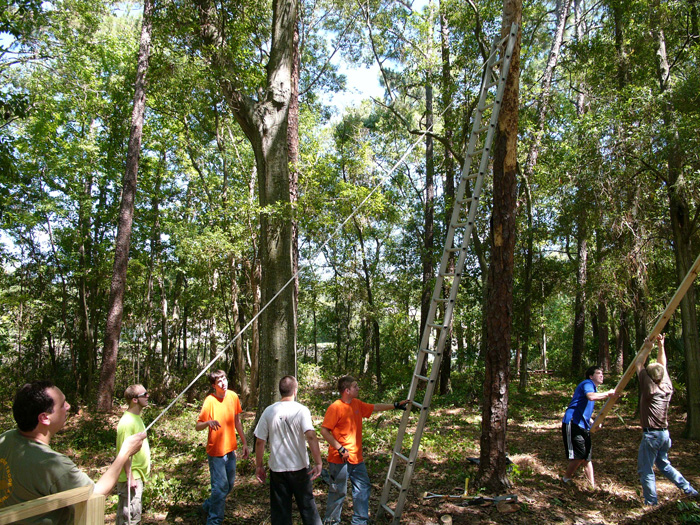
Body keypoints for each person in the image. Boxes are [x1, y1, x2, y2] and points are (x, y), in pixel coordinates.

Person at [0, 381, 146, 524]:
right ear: (44, 418)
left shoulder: (6, 438)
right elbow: (96, 493)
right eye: (63, 404)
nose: (69, 407)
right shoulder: (52, 464)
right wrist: (125, 452)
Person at [320, 375, 408, 525]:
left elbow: (374, 407)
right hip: (339, 459)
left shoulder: (356, 404)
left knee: (363, 487)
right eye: (355, 386)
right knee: (338, 492)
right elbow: (324, 431)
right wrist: (340, 449)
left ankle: (360, 521)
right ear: (347, 390)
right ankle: (331, 522)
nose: (358, 388)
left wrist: (395, 405)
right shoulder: (336, 407)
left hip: (356, 458)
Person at [635, 333, 698, 505]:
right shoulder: (666, 385)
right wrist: (661, 346)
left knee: (645, 470)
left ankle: (651, 502)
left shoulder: (649, 388)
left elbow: (638, 364)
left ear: (649, 377)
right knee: (664, 465)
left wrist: (647, 348)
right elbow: (662, 365)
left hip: (652, 436)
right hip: (664, 435)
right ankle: (689, 490)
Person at [254, 375, 323, 525]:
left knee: (281, 513)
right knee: (308, 509)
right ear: (295, 391)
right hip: (299, 468)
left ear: (281, 391)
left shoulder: (269, 411)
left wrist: (259, 465)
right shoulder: (301, 410)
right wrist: (318, 462)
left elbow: (260, 442)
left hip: (279, 469)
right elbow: (311, 436)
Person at [196, 370, 249, 525]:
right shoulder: (210, 401)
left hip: (230, 449)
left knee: (229, 485)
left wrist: (244, 443)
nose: (223, 383)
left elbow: (237, 421)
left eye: (224, 379)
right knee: (219, 488)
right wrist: (207, 423)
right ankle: (214, 520)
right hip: (216, 452)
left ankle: (207, 505)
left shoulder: (233, 396)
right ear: (214, 385)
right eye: (219, 381)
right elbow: (198, 426)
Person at [561, 366, 618, 486]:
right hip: (573, 422)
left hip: (583, 424)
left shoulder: (593, 388)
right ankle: (566, 478)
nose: (601, 375)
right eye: (598, 373)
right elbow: (591, 396)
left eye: (602, 373)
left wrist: (594, 422)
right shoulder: (588, 383)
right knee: (579, 455)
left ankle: (592, 486)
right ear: (591, 376)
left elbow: (584, 409)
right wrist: (608, 393)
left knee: (586, 457)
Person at [116, 384, 151, 525]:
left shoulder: (137, 418)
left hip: (137, 475)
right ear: (135, 400)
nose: (148, 396)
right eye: (145, 394)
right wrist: (130, 476)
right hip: (131, 478)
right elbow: (123, 451)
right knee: (130, 518)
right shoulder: (127, 422)